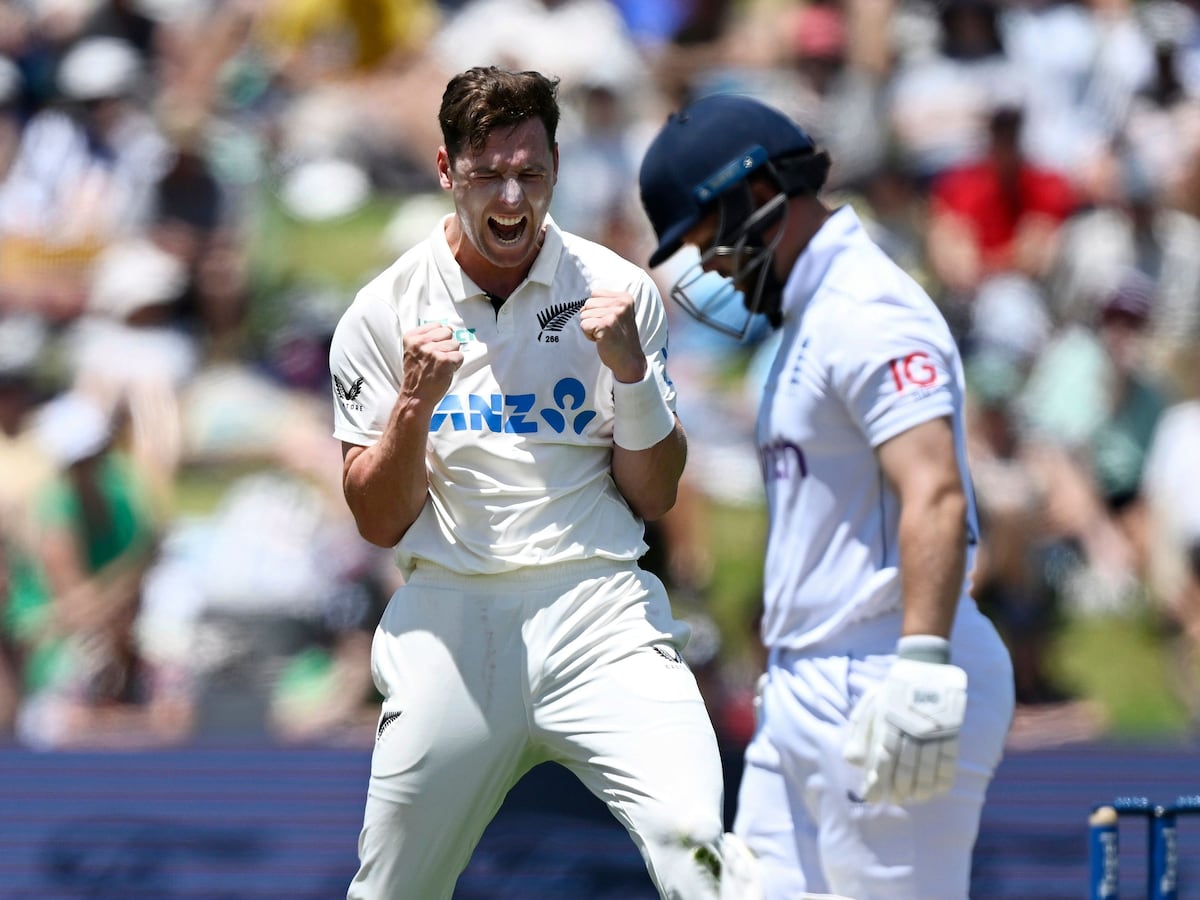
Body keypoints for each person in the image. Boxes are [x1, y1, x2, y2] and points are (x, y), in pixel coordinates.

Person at [327, 67, 759, 900]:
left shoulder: (619, 292)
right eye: (489, 174)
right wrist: (415, 405)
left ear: (558, 165)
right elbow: (378, 521)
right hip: (452, 618)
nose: (513, 199)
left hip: (599, 611)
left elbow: (656, 495)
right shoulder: (383, 313)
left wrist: (632, 375)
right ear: (448, 172)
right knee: (392, 890)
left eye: (530, 172)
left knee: (700, 856)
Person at [637, 92, 1016, 899]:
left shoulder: (868, 308)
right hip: (810, 683)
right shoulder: (812, 318)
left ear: (756, 194)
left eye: (706, 239)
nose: (708, 266)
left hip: (886, 671)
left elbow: (937, 493)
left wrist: (921, 665)